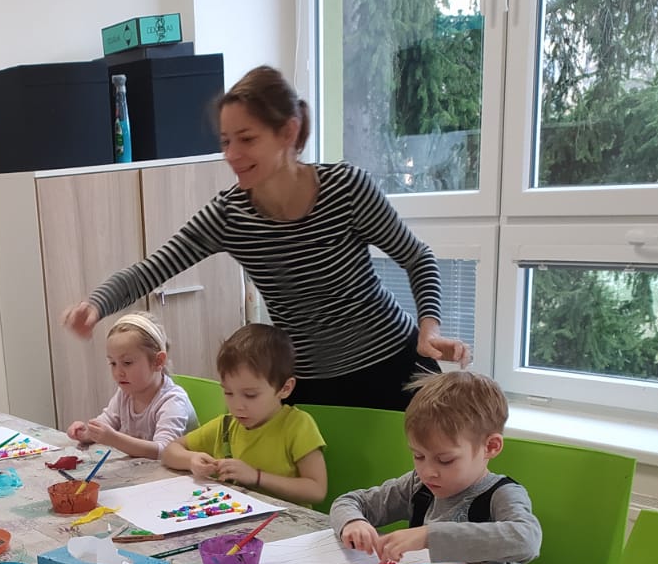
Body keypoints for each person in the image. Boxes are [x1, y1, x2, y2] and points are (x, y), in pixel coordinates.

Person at [63, 65, 470, 412]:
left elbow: (417, 257)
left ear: (288, 132)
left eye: (247, 139)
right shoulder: (230, 215)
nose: (231, 154)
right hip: (307, 381)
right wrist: (96, 305)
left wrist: (429, 329)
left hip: (392, 364)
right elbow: (149, 271)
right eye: (226, 141)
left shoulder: (346, 188)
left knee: (432, 478)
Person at [330, 371, 541, 564]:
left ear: (491, 446)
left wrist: (428, 537)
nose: (427, 472)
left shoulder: (502, 494)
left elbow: (527, 540)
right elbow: (349, 502)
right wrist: (353, 522)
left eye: (445, 460)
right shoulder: (417, 486)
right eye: (418, 456)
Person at [161, 324, 328, 506]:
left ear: (285, 388)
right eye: (228, 393)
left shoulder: (297, 425)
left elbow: (316, 490)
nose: (237, 406)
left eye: (250, 395)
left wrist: (256, 477)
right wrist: (191, 460)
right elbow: (170, 451)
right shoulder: (226, 426)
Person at [65, 313, 196, 460]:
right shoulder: (125, 393)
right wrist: (87, 433)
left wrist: (114, 439)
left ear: (158, 361)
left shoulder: (173, 400)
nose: (118, 372)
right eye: (113, 363)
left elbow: (165, 451)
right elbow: (107, 422)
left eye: (127, 363)